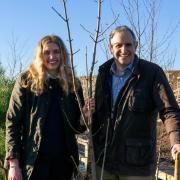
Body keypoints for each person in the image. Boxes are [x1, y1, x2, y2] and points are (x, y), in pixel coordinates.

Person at [92, 25, 180, 180]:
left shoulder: (152, 73)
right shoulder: (103, 74)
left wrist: (176, 141)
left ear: (136, 45)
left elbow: (169, 111)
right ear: (110, 48)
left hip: (137, 165)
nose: (124, 50)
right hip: (104, 162)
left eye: (128, 44)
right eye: (118, 45)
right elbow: (100, 114)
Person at [4, 35, 94, 180]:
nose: (52, 56)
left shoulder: (72, 84)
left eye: (56, 51)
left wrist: (84, 116)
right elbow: (12, 122)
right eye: (47, 52)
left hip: (63, 164)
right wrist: (13, 162)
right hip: (33, 163)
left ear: (62, 54)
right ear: (40, 55)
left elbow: (77, 128)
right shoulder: (26, 81)